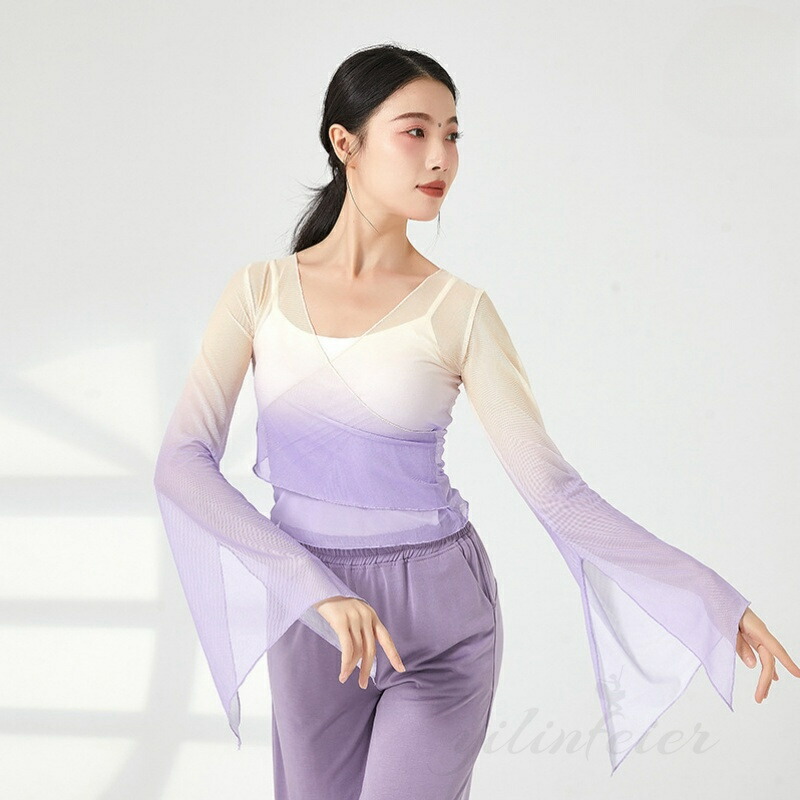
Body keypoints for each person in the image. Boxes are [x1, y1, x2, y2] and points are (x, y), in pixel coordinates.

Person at [153, 43, 799, 796]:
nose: (441, 157)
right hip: (312, 616)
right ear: (345, 142)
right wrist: (309, 585)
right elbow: (181, 463)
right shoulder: (258, 293)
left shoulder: (458, 311)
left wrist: (709, 598)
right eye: (416, 131)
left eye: (452, 134)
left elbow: (555, 492)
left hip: (439, 618)